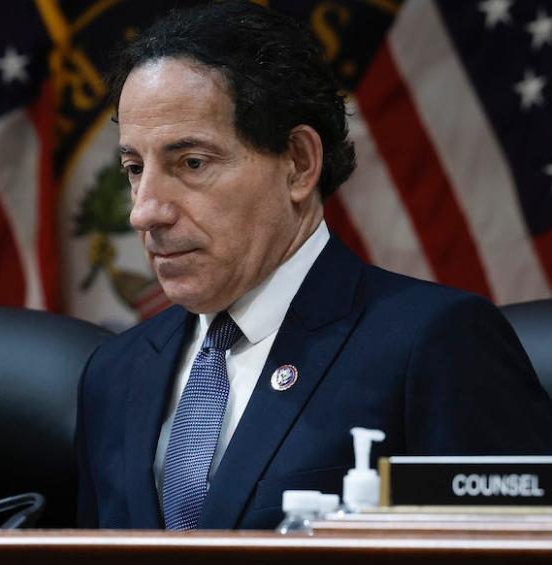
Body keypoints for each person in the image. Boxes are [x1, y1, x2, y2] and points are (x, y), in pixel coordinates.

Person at [76, 1, 552, 531]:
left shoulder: (434, 344)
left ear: (299, 163)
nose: (144, 210)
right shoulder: (114, 374)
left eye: (191, 163)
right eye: (134, 168)